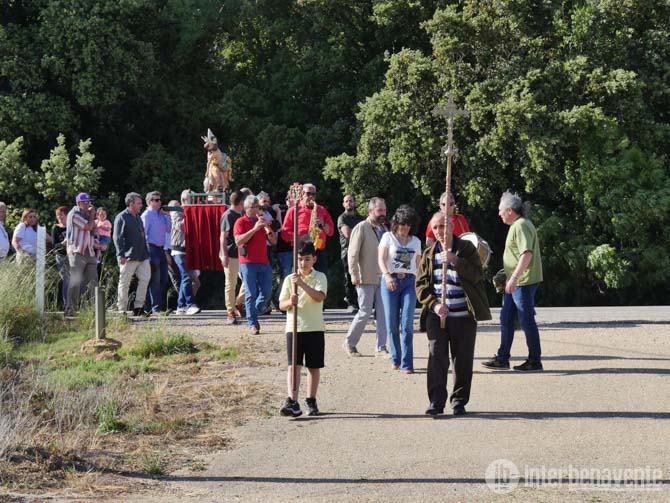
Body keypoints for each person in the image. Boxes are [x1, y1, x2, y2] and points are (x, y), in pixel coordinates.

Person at [416, 212, 491, 416]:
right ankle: (436, 402)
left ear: (451, 227)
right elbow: (421, 286)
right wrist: (433, 305)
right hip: (438, 316)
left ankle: (459, 401)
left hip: (464, 315)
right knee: (436, 357)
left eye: (444, 226)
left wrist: (456, 260)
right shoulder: (429, 253)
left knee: (463, 360)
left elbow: (477, 275)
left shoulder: (466, 249)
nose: (440, 231)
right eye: (436, 227)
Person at [482, 191, 544, 372]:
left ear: (509, 210)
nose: (499, 214)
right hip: (517, 281)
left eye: (500, 210)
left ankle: (534, 360)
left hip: (522, 282)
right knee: (507, 318)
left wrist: (515, 277)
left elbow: (527, 254)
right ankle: (502, 358)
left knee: (526, 320)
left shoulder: (521, 225)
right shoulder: (520, 224)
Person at [278, 241, 328, 417]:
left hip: (314, 328)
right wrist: (290, 302)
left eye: (307, 259)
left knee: (313, 367)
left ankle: (311, 400)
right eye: (299, 259)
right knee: (294, 366)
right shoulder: (289, 279)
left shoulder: (320, 277)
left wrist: (302, 285)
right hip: (294, 328)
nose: (303, 263)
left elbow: (319, 297)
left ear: (314, 259)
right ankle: (292, 400)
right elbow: (281, 304)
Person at [342, 197, 388, 357]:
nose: (383, 213)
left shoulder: (385, 230)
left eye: (384, 210)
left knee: (383, 314)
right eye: (379, 210)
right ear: (370, 211)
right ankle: (349, 343)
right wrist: (354, 275)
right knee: (365, 312)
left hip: (383, 278)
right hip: (365, 277)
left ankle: (381, 347)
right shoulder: (361, 227)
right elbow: (352, 254)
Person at [378, 205, 421, 374]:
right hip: (390, 282)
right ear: (396, 223)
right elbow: (381, 260)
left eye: (408, 225)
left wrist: (421, 283)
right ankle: (395, 358)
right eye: (402, 224)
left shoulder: (416, 241)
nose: (405, 228)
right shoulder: (388, 237)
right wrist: (388, 276)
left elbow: (418, 265)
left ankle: (407, 363)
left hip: (409, 282)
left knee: (407, 323)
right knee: (392, 323)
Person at [234, 195, 277, 334]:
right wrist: (254, 229)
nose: (257, 209)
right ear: (247, 208)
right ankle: (252, 323)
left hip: (263, 261)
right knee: (251, 293)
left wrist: (268, 229)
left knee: (266, 291)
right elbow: (238, 241)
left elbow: (273, 241)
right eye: (254, 207)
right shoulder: (240, 222)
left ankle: (253, 312)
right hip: (247, 263)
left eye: (258, 207)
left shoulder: (262, 221)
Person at [280, 183, 334, 274]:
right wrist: (299, 237)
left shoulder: (321, 209)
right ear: (302, 194)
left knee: (321, 278)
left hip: (318, 250)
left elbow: (331, 231)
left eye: (314, 194)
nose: (311, 197)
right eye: (308, 194)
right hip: (301, 251)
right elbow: (284, 233)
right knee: (301, 279)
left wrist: (323, 224)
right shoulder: (293, 210)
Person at [113, 192, 151, 316]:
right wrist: (120, 255)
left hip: (142, 255)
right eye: (139, 203)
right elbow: (117, 237)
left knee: (145, 278)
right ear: (131, 204)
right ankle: (121, 309)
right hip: (128, 256)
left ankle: (138, 307)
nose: (141, 205)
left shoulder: (138, 216)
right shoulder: (122, 217)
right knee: (125, 282)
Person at [65, 193, 98, 314]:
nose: (88, 204)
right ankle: (70, 309)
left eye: (89, 202)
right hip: (76, 252)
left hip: (89, 251)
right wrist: (92, 215)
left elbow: (94, 228)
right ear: (78, 203)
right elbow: (89, 227)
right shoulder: (74, 214)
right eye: (85, 202)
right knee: (75, 282)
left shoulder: (86, 215)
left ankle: (94, 310)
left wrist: (91, 216)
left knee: (93, 282)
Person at [170, 191, 201, 315]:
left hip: (188, 250)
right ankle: (190, 304)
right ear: (184, 200)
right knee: (186, 276)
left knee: (185, 278)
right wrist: (191, 213)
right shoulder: (177, 211)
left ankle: (181, 305)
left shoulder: (190, 212)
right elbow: (182, 226)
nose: (193, 202)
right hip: (179, 250)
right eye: (191, 199)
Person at [141, 191, 172, 314]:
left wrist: (168, 216)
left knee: (163, 278)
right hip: (151, 248)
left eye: (160, 200)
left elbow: (169, 229)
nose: (159, 202)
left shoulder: (161, 215)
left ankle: (150, 306)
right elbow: (143, 234)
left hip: (161, 249)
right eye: (156, 200)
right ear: (149, 202)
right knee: (155, 279)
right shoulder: (147, 215)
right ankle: (156, 308)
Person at [220, 190, 247, 324]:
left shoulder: (241, 214)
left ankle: (238, 304)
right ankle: (230, 312)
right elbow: (223, 238)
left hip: (240, 253)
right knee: (231, 284)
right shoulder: (228, 215)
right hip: (230, 254)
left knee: (248, 280)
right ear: (241, 202)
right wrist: (224, 255)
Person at [337, 194, 364, 312]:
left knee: (362, 276)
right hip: (347, 251)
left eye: (351, 201)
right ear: (343, 204)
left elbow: (367, 233)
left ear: (355, 203)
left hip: (362, 251)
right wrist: (359, 232)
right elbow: (347, 234)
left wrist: (356, 232)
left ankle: (361, 302)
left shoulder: (361, 218)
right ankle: (351, 303)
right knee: (349, 277)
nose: (349, 203)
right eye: (346, 201)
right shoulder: (342, 218)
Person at [51, 206, 70, 307]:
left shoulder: (72, 227)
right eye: (57, 216)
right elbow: (54, 246)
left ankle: (74, 303)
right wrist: (63, 242)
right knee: (65, 279)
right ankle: (65, 304)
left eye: (61, 215)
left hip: (72, 256)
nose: (59, 218)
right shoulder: (56, 228)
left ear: (67, 215)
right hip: (61, 257)